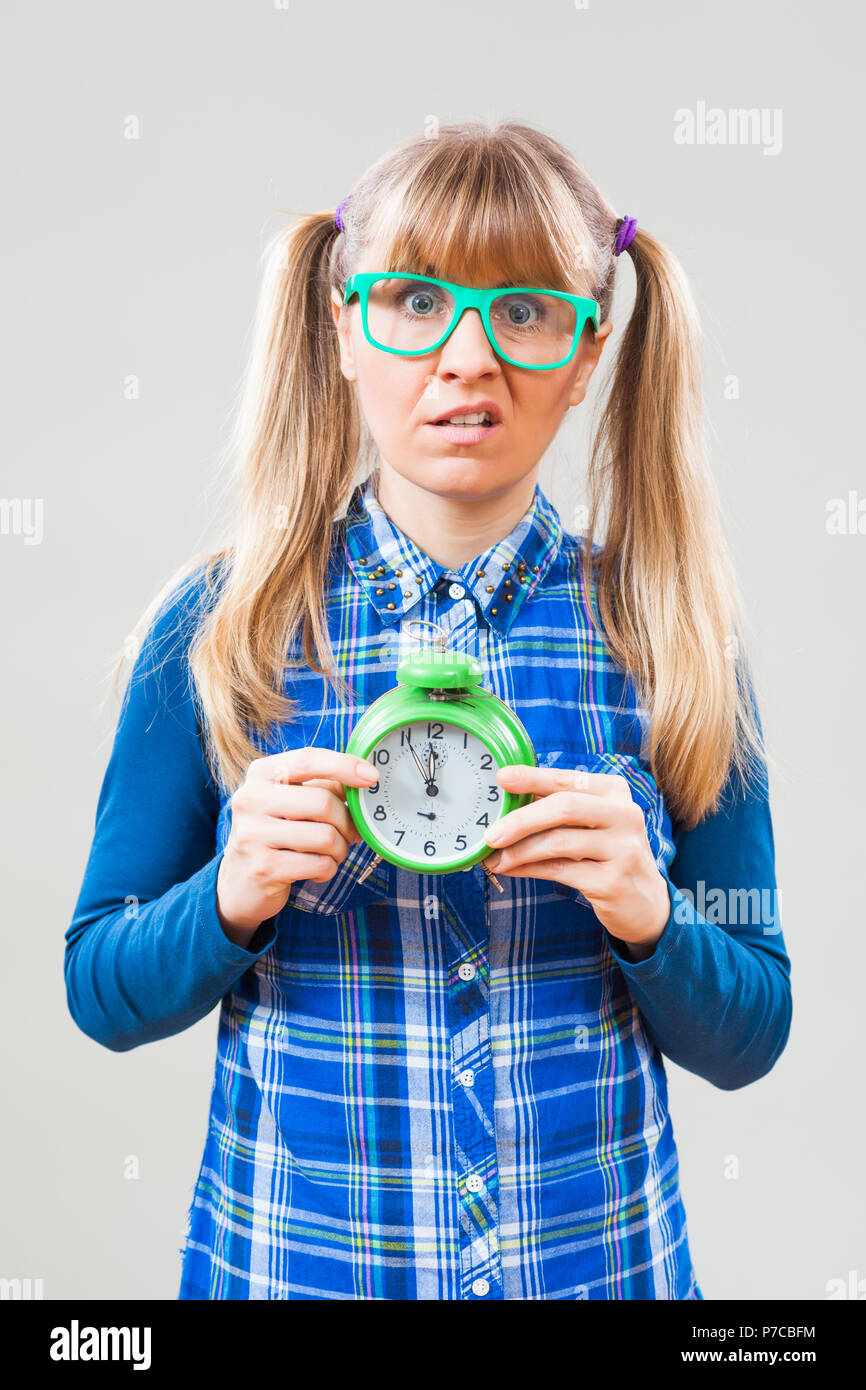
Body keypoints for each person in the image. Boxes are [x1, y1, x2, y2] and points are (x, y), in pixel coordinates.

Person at [65, 120, 792, 1300]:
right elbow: (101, 990)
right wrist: (230, 894)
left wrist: (651, 917)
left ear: (590, 345)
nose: (465, 357)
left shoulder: (671, 641)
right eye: (413, 302)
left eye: (524, 310)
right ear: (341, 328)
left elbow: (751, 1031)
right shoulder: (220, 631)